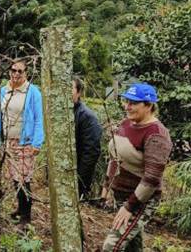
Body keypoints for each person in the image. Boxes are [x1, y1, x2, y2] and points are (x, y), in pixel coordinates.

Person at [101, 83, 172, 251]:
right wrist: (106, 186)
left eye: (133, 103)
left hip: (140, 201)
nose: (128, 106)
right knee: (131, 247)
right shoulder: (127, 123)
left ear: (148, 106)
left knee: (111, 246)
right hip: (121, 194)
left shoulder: (156, 134)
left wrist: (129, 207)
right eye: (126, 101)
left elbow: (152, 178)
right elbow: (115, 156)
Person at [0, 60, 44, 226]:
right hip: (9, 142)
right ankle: (20, 209)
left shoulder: (32, 92)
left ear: (26, 73)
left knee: (23, 179)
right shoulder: (4, 91)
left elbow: (38, 118)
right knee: (14, 177)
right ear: (9, 71)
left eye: (20, 71)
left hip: (25, 142)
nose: (16, 74)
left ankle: (26, 217)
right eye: (14, 70)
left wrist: (37, 142)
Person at [72, 77, 102, 199]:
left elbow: (91, 152)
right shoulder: (60, 113)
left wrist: (80, 181)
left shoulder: (88, 117)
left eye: (70, 88)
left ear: (78, 92)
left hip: (77, 175)